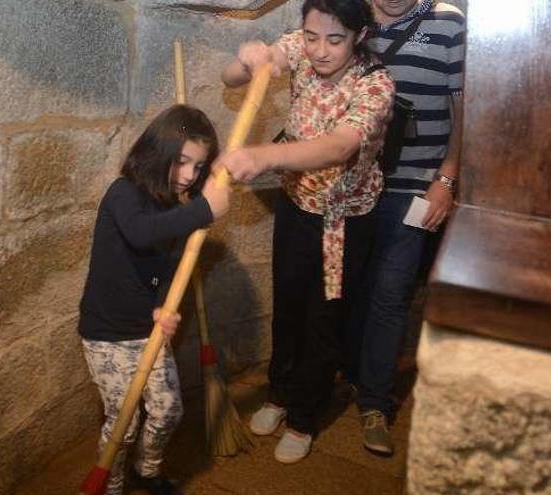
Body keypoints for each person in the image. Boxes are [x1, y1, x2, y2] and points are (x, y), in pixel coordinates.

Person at [216, 0, 395, 464]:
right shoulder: (302, 45)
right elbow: (232, 78)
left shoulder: (376, 85)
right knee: (289, 306)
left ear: (359, 35)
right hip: (298, 207)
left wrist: (265, 158)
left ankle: (303, 416)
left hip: (347, 220)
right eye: (311, 36)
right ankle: (278, 394)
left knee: (323, 322)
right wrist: (247, 58)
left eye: (335, 40)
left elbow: (338, 146)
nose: (319, 50)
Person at [78, 104, 229, 495]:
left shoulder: (172, 207)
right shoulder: (123, 193)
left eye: (198, 167)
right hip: (107, 334)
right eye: (182, 162)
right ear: (157, 150)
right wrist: (204, 208)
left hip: (147, 329)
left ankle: (146, 471)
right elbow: (142, 234)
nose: (189, 175)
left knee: (168, 410)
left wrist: (165, 306)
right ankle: (109, 484)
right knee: (123, 424)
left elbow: (171, 264)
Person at [350, 0, 466, 456]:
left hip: (416, 187)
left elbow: (464, 107)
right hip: (354, 184)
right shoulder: (351, 12)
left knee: (391, 293)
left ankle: (375, 403)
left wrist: (447, 179)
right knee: (351, 288)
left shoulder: (447, 21)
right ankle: (350, 374)